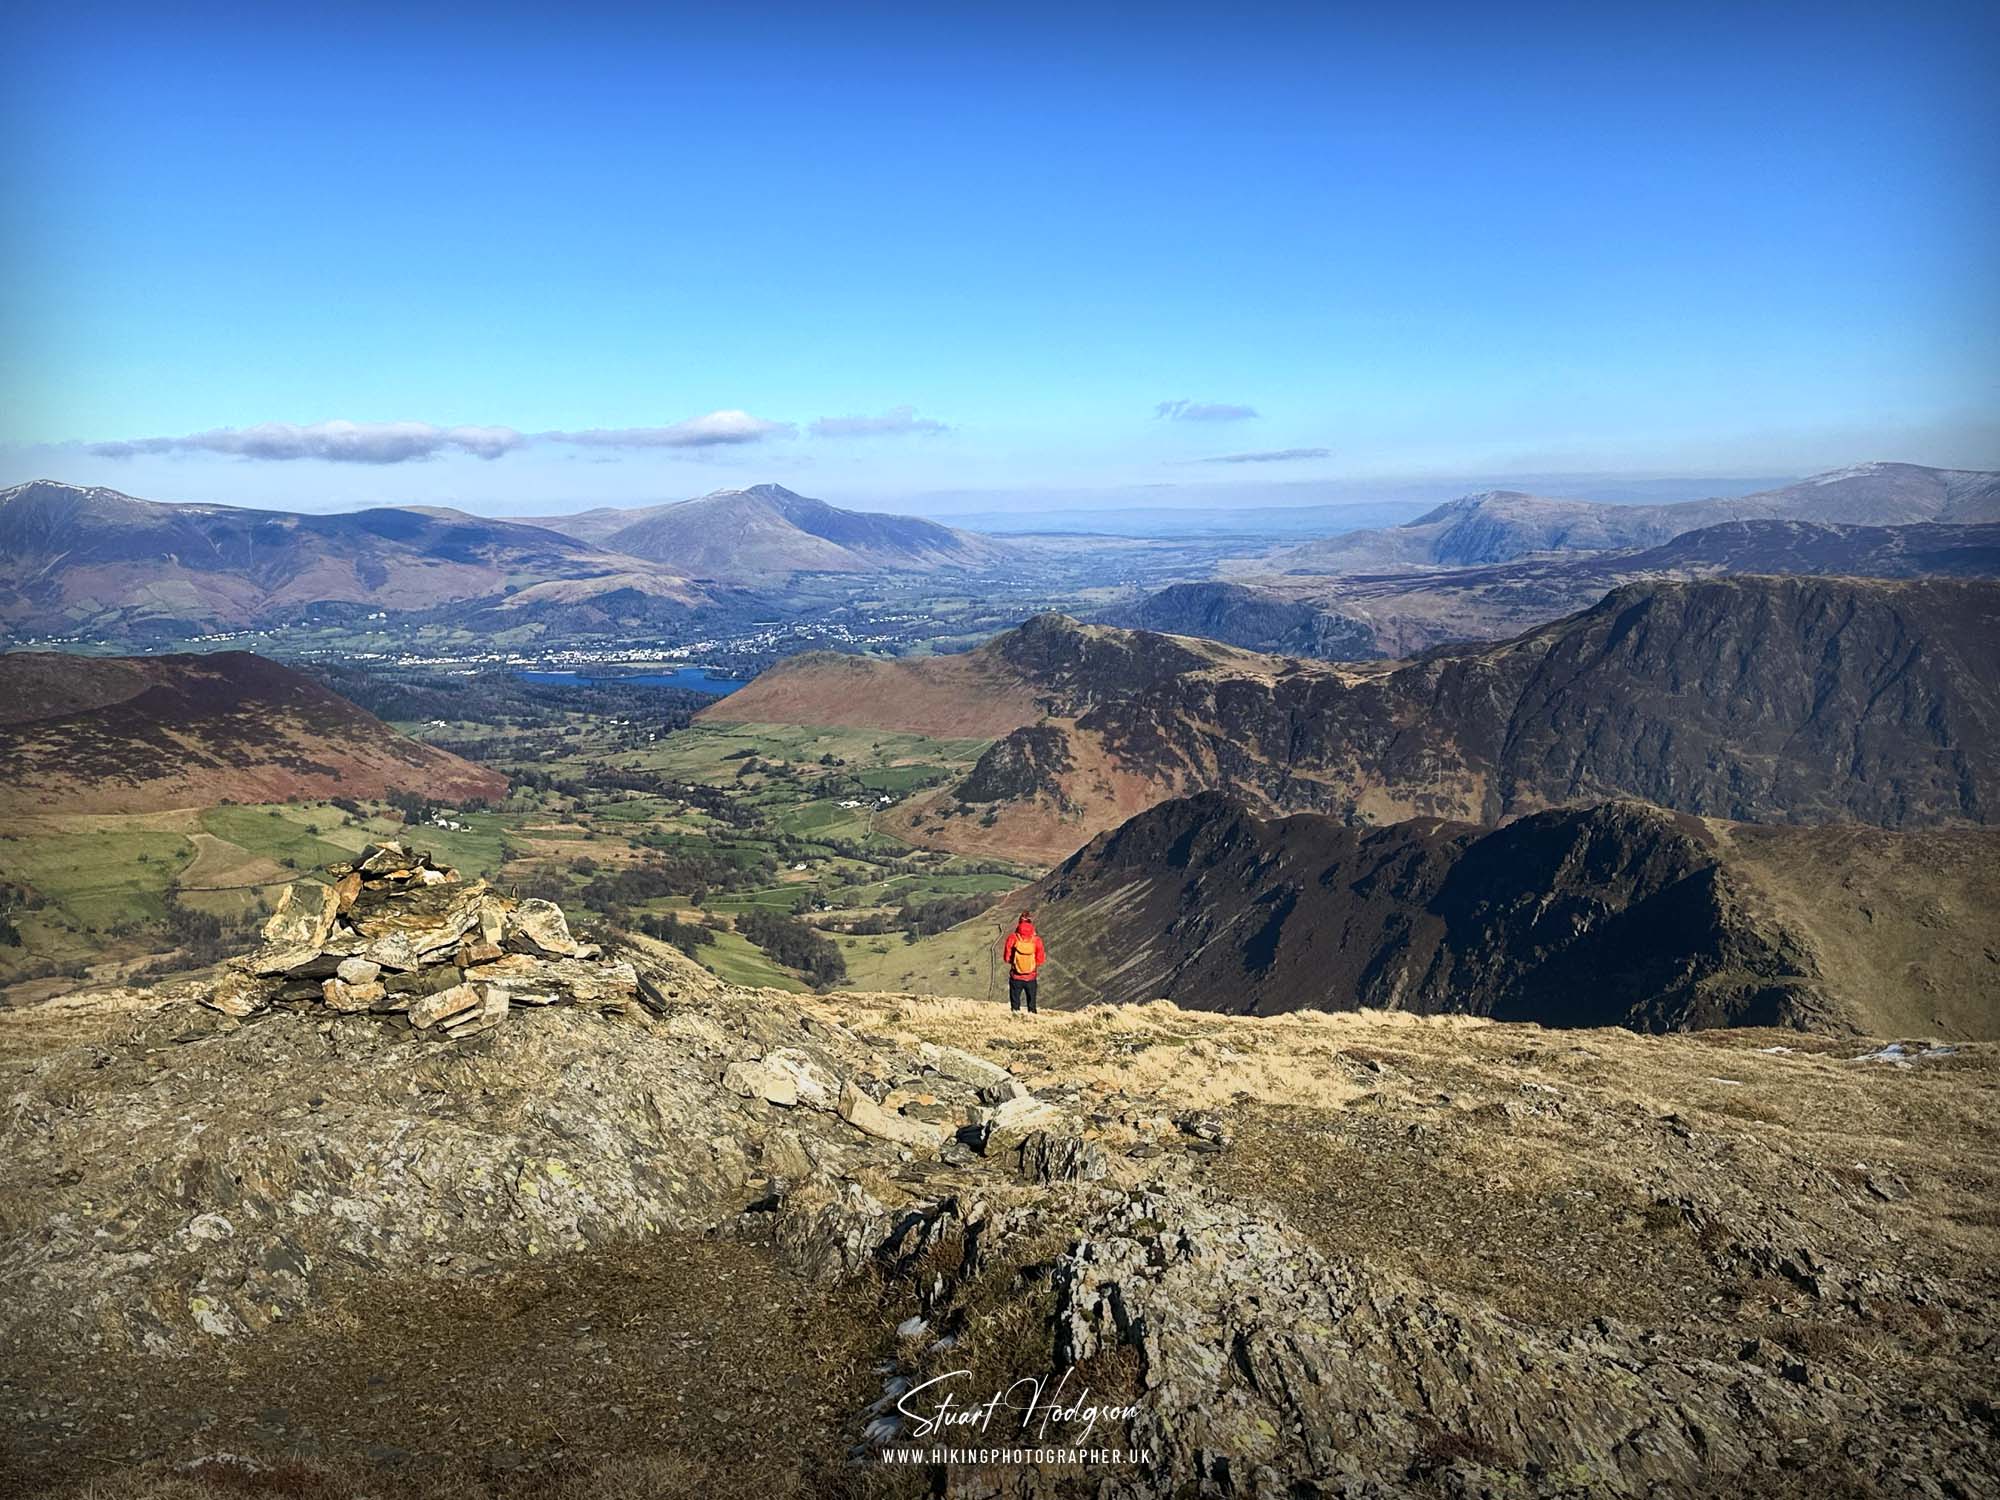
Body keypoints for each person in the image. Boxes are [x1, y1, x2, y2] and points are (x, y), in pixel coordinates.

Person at [1003, 911, 1045, 1013]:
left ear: (1019, 923)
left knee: (1015, 1002)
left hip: (1016, 976)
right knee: (1031, 1004)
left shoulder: (1013, 938)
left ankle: (1016, 1019)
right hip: (1031, 977)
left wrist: (1017, 963)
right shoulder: (1036, 940)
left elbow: (1006, 958)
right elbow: (1040, 960)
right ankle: (1032, 1021)